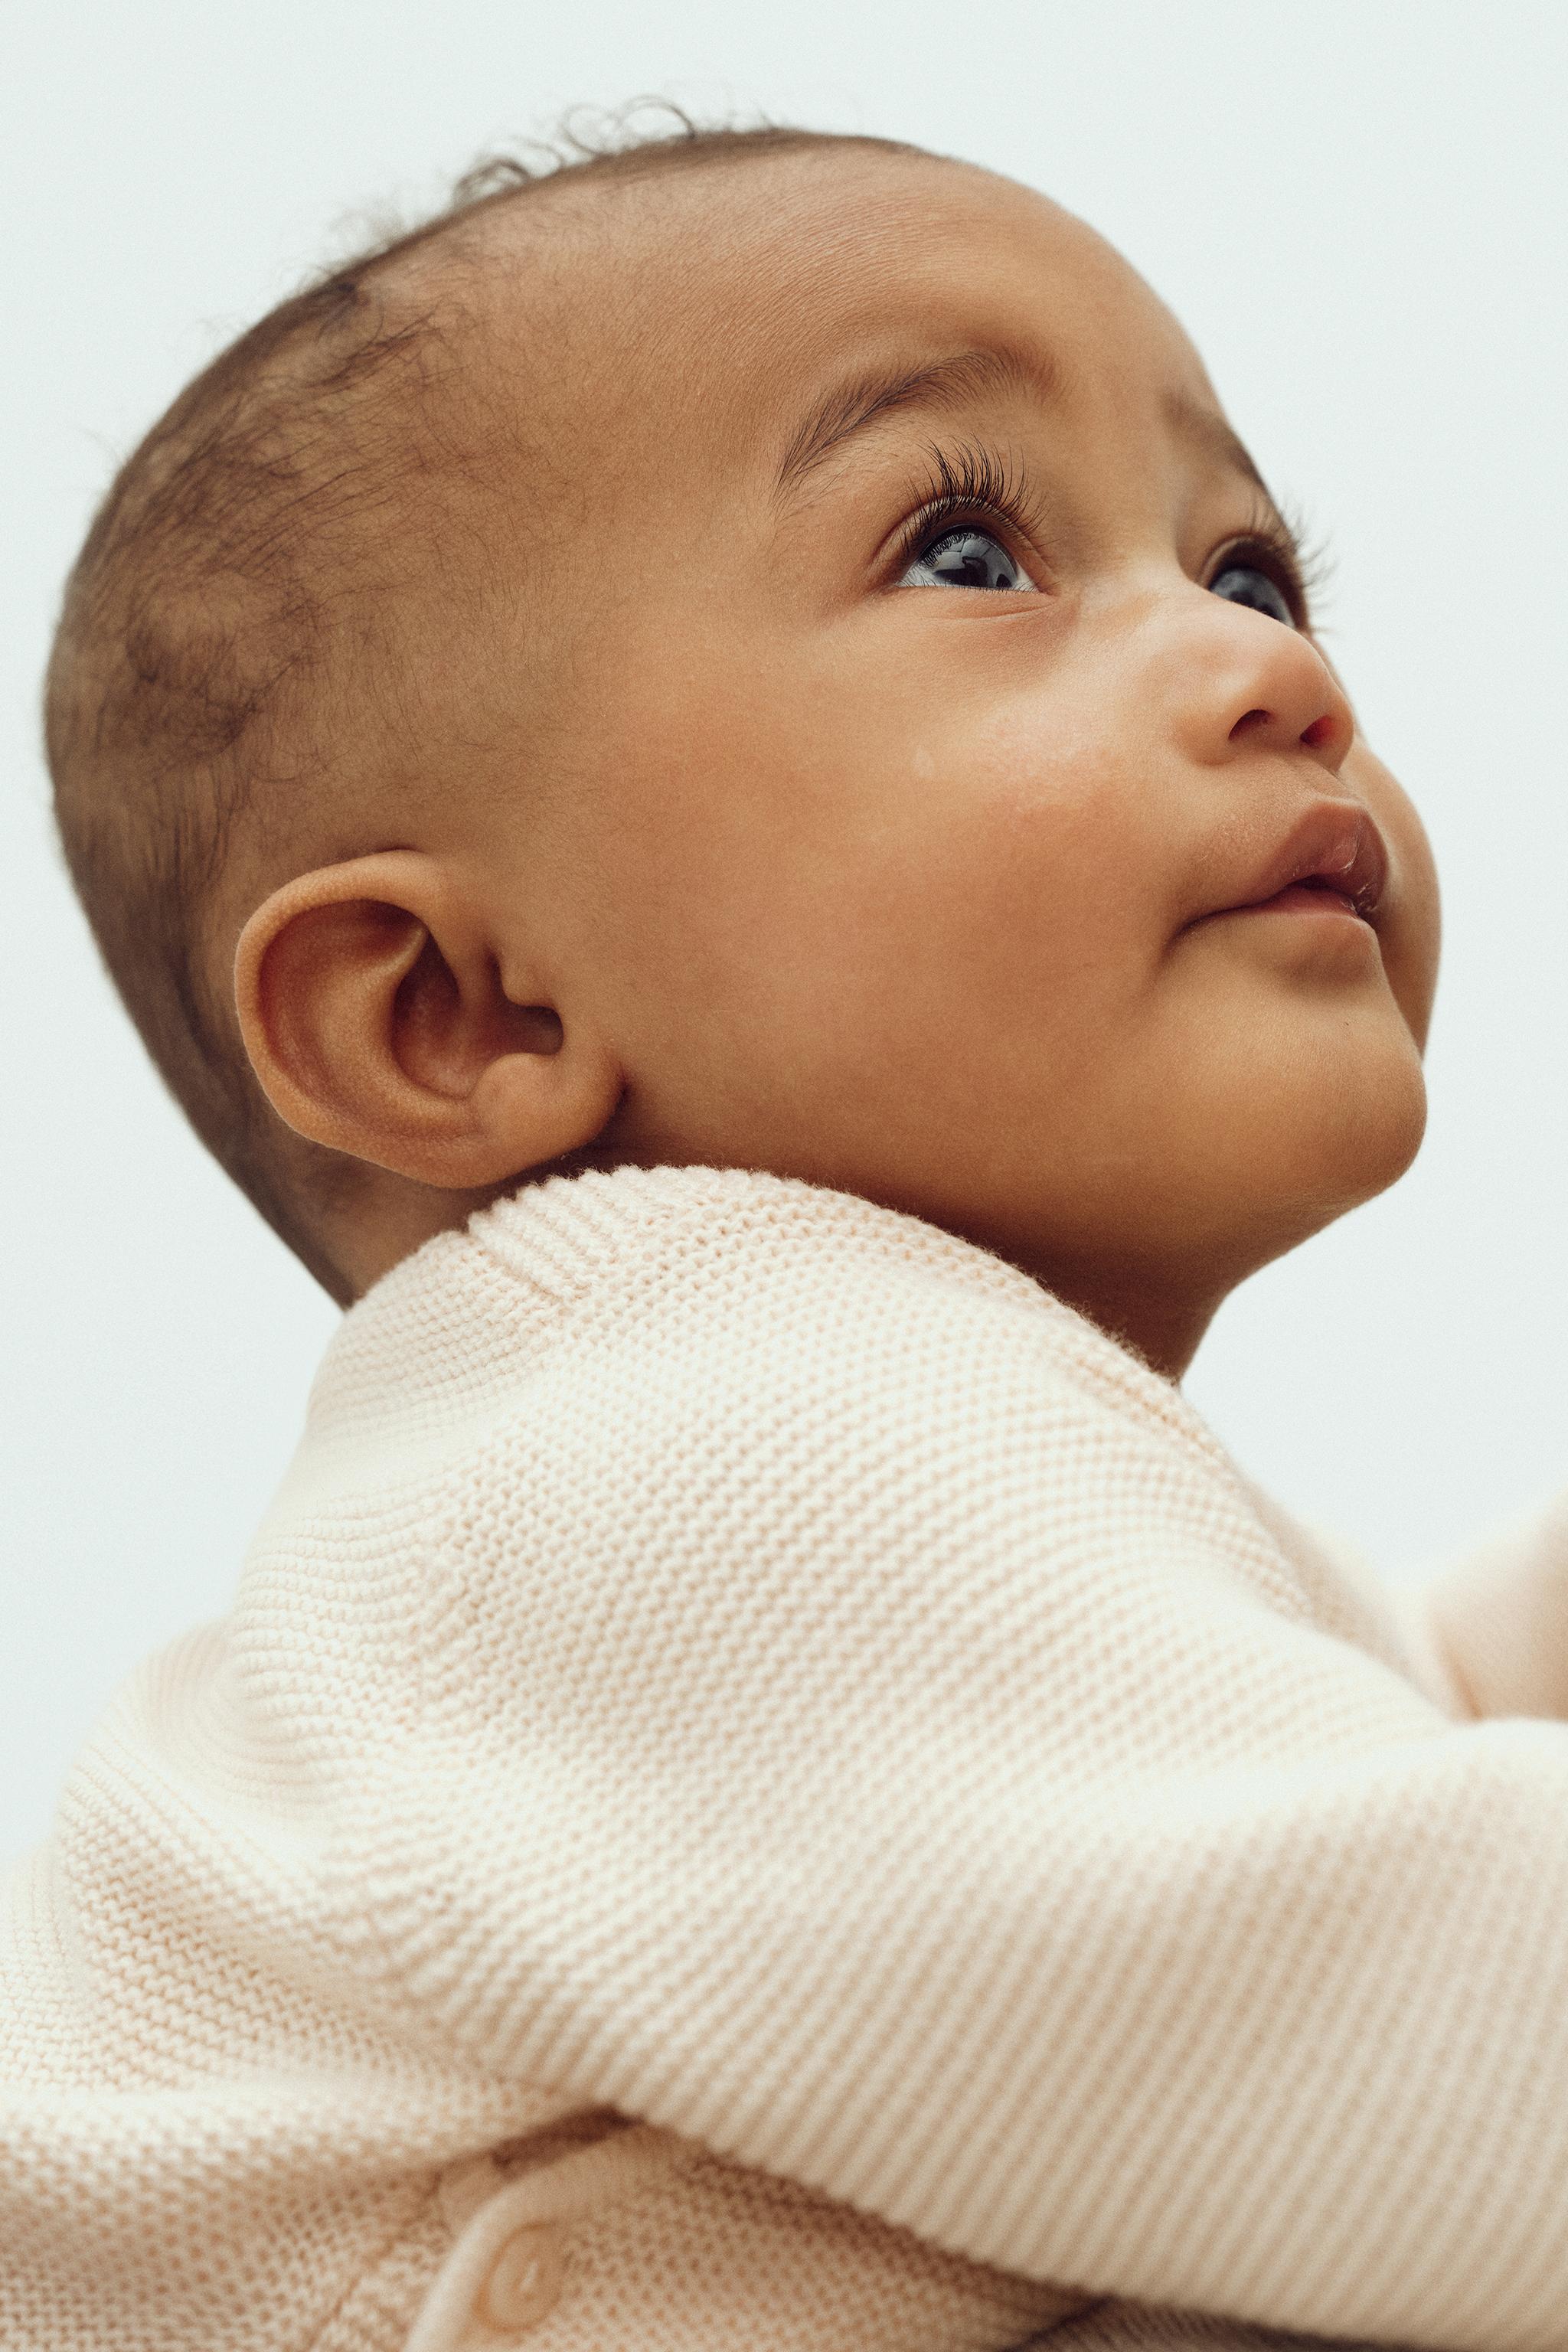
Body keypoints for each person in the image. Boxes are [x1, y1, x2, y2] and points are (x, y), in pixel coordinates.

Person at [11, 116, 1566, 2351]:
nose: (1276, 676)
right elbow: (1465, 2028)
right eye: (969, 553)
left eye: (1250, 572)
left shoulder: (862, 1504)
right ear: (457, 1013)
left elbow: (1408, 1711)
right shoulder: (682, 1453)